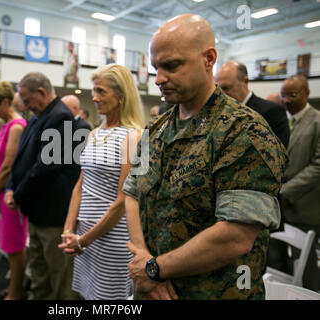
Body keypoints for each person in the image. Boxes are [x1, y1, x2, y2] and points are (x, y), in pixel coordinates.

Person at [122, 14, 287, 300]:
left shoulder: (243, 131)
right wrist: (145, 263)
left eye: (172, 66)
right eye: (156, 68)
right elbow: (133, 193)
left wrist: (154, 269)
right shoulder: (157, 129)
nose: (159, 79)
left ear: (208, 59)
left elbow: (235, 236)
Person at [59, 64, 144, 300]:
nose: (94, 98)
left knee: (108, 299)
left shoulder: (134, 137)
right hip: (85, 234)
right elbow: (79, 186)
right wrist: (69, 229)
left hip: (111, 238)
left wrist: (83, 241)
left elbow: (124, 200)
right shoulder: (95, 133)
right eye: (93, 91)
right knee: (89, 294)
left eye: (101, 91)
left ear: (121, 96)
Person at [4, 72, 80, 299]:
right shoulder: (39, 115)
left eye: (27, 100)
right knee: (39, 274)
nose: (26, 106)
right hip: (37, 211)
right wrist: (10, 186)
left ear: (41, 93)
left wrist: (17, 195)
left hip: (53, 214)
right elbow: (21, 157)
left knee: (60, 279)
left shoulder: (60, 117)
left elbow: (46, 168)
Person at [0, 81, 29, 300]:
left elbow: (8, 166)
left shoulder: (17, 126)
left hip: (9, 195)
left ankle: (15, 292)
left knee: (14, 246)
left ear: (6, 102)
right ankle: (13, 287)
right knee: (6, 244)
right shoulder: (3, 125)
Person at [278, 75, 320, 291]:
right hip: (283, 206)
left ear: (307, 93)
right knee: (284, 263)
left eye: (292, 95)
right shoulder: (284, 121)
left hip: (305, 207)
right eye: (283, 95)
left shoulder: (317, 121)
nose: (286, 100)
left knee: (306, 264)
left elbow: (317, 167)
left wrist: (285, 191)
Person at [215, 61, 290, 148]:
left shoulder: (272, 112)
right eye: (218, 89)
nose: (221, 94)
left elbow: (278, 153)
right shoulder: (219, 113)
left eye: (226, 88)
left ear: (245, 81)